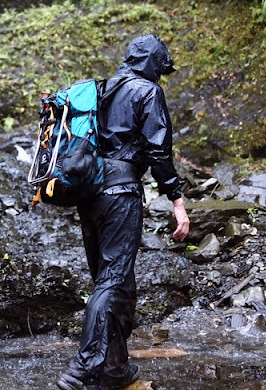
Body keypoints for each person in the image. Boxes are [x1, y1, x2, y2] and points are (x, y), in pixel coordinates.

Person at [56, 34, 190, 390]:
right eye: (160, 69)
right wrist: (177, 201)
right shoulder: (147, 92)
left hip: (90, 195)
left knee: (118, 284)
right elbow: (158, 152)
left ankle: (114, 369)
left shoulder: (100, 91)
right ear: (152, 64)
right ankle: (82, 369)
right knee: (113, 280)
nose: (160, 77)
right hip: (120, 192)